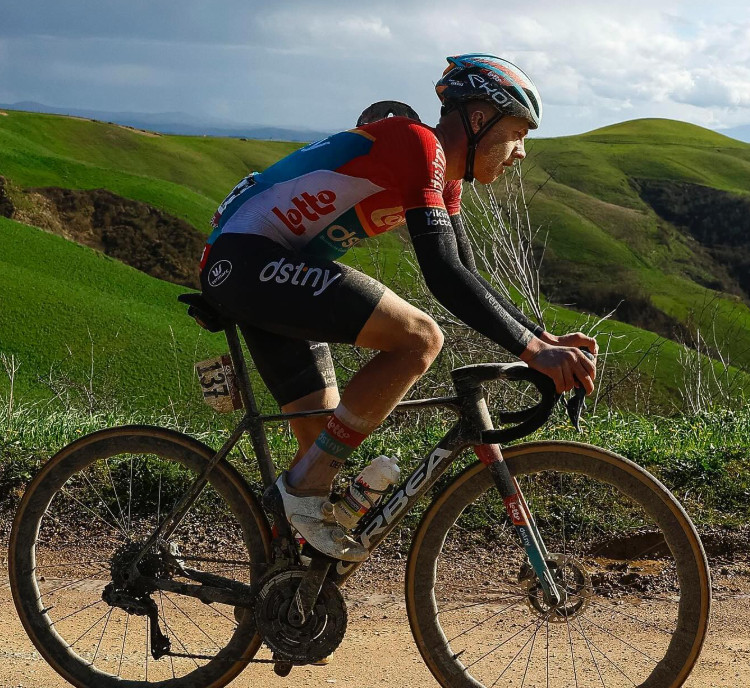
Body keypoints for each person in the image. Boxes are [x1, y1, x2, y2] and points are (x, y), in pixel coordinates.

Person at [199, 54, 598, 562]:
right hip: (246, 260)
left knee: (320, 457)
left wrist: (542, 339)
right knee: (420, 338)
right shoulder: (417, 143)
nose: (521, 152)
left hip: (269, 271)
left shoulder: (444, 180)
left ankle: (285, 590)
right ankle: (299, 495)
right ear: (479, 120)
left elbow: (468, 276)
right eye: (518, 133)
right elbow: (443, 278)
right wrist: (533, 350)